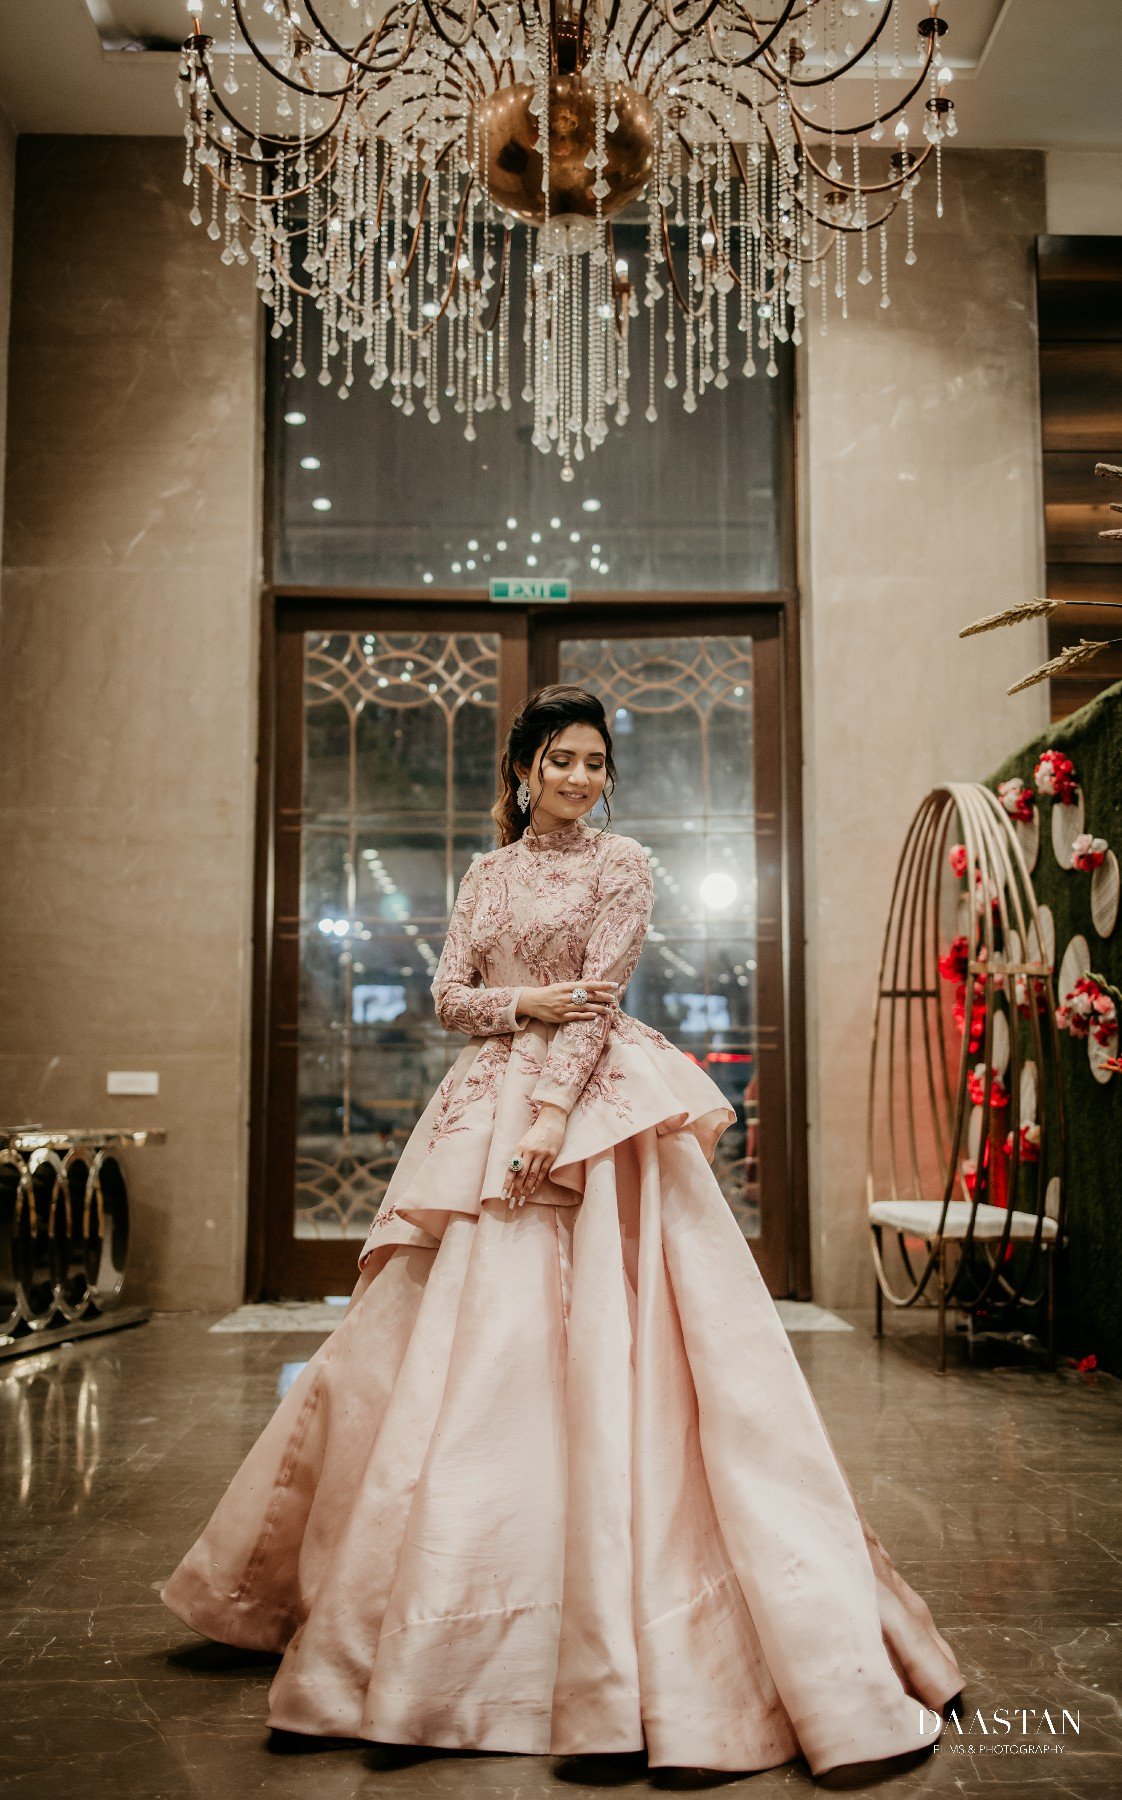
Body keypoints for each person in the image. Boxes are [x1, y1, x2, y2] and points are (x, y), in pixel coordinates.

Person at [161, 683, 964, 1776]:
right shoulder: (488, 872)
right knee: (442, 1350)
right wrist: (518, 1013)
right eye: (564, 762)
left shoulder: (623, 864)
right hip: (483, 1101)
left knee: (633, 1354)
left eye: (597, 763)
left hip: (589, 1107)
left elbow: (600, 995)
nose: (583, 780)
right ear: (524, 770)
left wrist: (548, 1112)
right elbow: (447, 998)